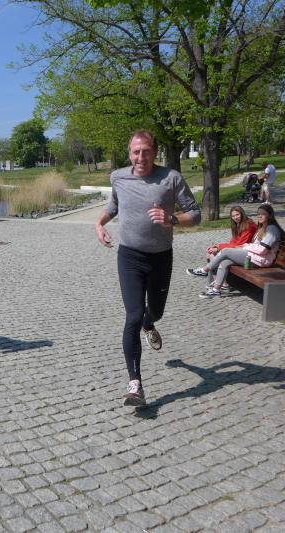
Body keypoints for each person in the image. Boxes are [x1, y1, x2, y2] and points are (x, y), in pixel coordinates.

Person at [95, 130, 201, 407]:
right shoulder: (118, 177)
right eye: (135, 152)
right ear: (129, 153)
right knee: (132, 316)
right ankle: (135, 385)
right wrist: (99, 223)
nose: (140, 157)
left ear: (154, 152)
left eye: (146, 151)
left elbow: (196, 214)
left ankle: (149, 322)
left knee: (155, 311)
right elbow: (114, 205)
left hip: (160, 258)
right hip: (129, 257)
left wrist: (172, 219)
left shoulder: (171, 178)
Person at [190, 203, 285, 298]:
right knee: (225, 262)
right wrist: (245, 246)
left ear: (270, 215)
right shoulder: (262, 228)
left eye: (263, 214)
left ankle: (204, 270)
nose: (260, 216)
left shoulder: (272, 229)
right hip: (255, 257)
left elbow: (262, 250)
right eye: (258, 214)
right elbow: (254, 246)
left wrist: (244, 247)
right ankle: (216, 290)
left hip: (261, 260)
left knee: (226, 251)